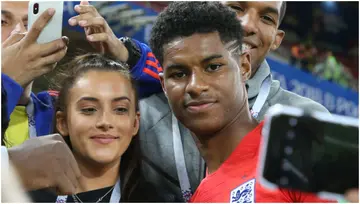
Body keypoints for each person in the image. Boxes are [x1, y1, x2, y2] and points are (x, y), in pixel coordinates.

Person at [149, 2, 333, 202]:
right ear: (164, 86)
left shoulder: (297, 149)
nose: (195, 86)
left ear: (244, 67)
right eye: (179, 74)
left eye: (213, 67)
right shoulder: (202, 197)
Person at [28, 53, 155, 202]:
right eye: (89, 109)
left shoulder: (158, 199)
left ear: (135, 124)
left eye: (120, 109)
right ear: (62, 123)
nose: (105, 122)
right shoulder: (22, 197)